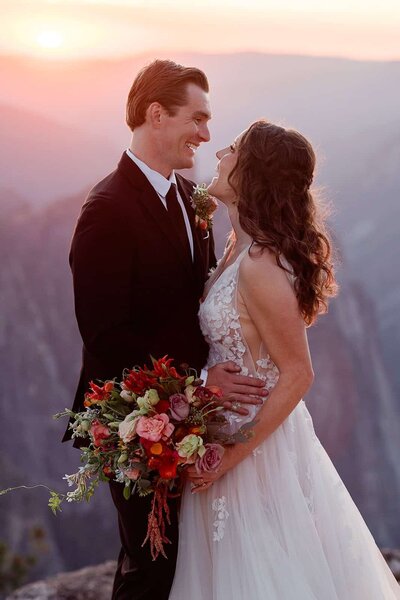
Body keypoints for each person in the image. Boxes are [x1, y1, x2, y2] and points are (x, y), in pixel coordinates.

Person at [169, 120, 400, 599]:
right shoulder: (236, 248)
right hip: (221, 439)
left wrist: (234, 454)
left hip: (254, 453)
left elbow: (298, 372)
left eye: (231, 149)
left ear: (251, 173)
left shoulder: (262, 265)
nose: (218, 155)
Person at [62, 60, 267, 600]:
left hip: (185, 417)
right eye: (196, 119)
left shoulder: (187, 198)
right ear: (156, 114)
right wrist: (202, 381)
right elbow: (105, 336)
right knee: (151, 566)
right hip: (130, 423)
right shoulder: (107, 209)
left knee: (180, 563)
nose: (205, 134)